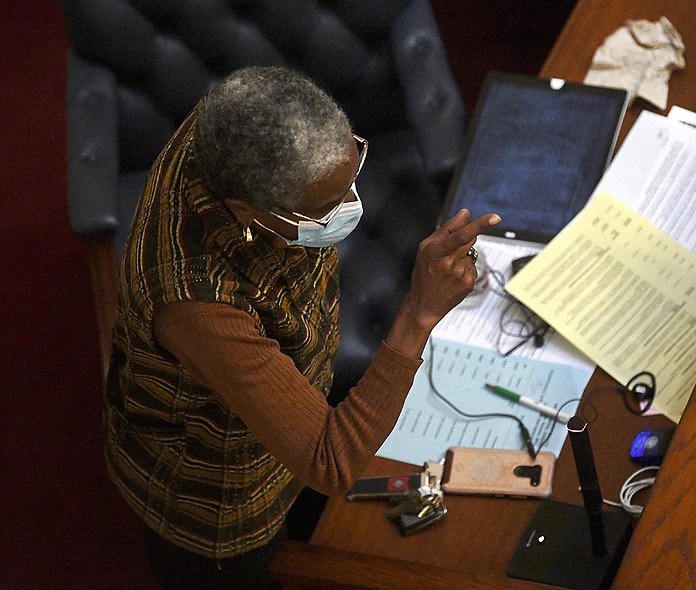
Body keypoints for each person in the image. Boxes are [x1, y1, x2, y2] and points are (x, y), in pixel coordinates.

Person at [103, 66, 500, 589]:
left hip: (282, 400)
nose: (349, 208)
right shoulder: (198, 304)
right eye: (323, 209)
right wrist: (418, 313)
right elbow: (329, 463)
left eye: (350, 178)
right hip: (217, 495)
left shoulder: (236, 121)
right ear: (247, 209)